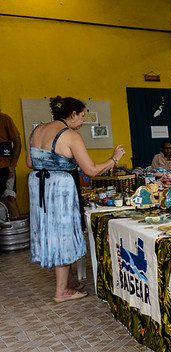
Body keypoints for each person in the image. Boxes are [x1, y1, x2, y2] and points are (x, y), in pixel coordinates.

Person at [27, 96, 125, 302]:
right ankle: (61, 291)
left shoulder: (36, 131)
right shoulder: (70, 135)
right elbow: (90, 171)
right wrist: (114, 159)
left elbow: (30, 162)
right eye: (82, 116)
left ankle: (68, 281)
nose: (83, 121)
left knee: (50, 231)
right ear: (72, 115)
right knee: (63, 233)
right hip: (60, 188)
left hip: (38, 186)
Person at [0, 110, 22, 218]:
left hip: (5, 167)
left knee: (9, 197)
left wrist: (12, 165)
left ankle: (17, 231)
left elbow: (17, 142)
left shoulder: (4, 119)